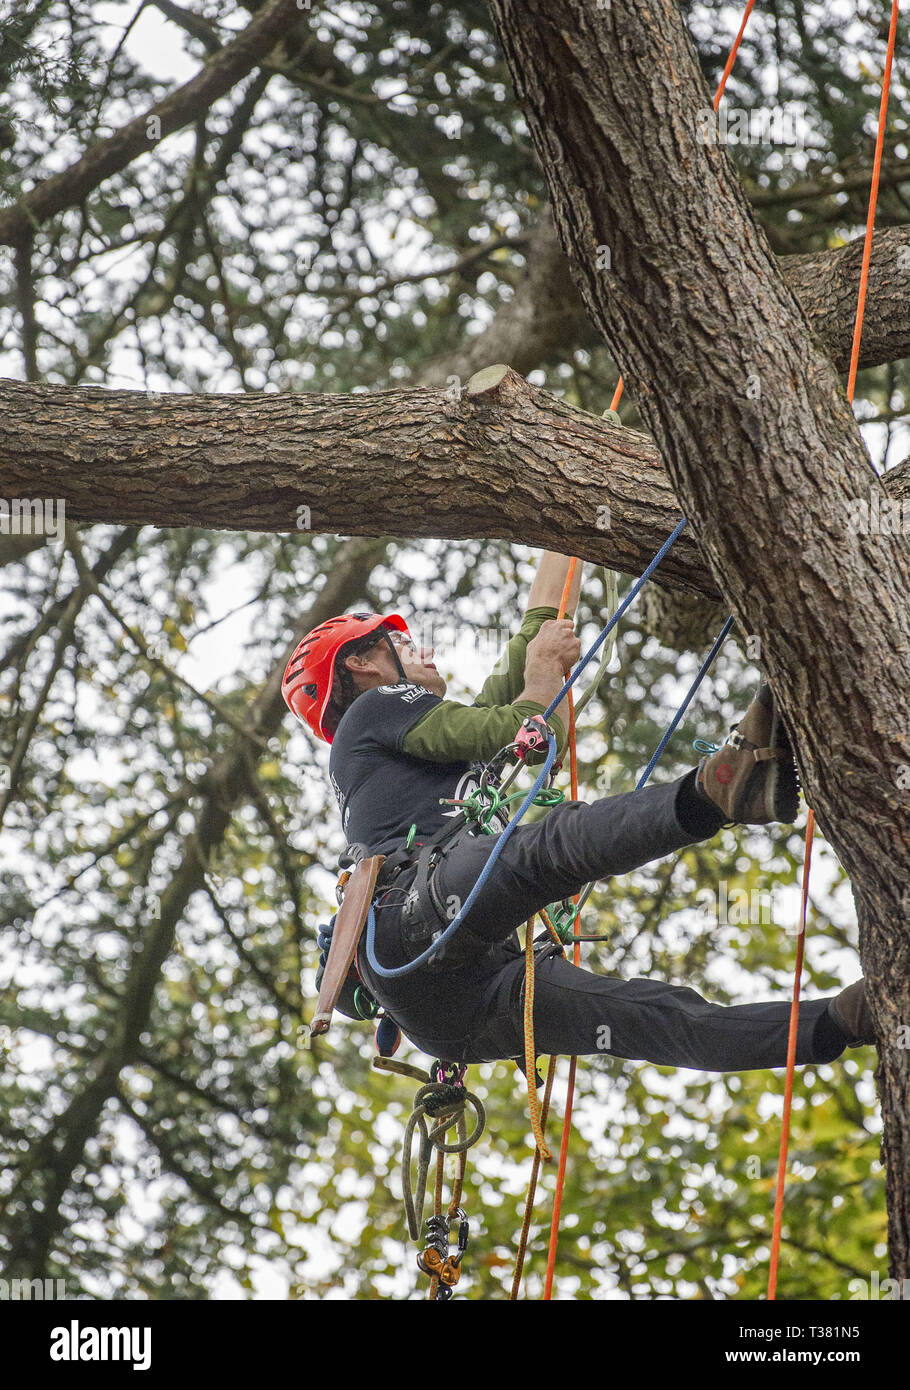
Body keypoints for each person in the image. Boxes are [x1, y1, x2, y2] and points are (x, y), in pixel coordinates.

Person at [283, 551, 874, 1072]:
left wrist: (568, 536)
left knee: (642, 1015)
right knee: (551, 845)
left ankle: (839, 1023)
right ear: (362, 664)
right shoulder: (375, 709)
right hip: (417, 914)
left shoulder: (410, 748)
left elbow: (532, 640)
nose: (426, 651)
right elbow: (522, 730)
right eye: (404, 644)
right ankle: (722, 791)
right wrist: (542, 673)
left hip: (446, 1017)